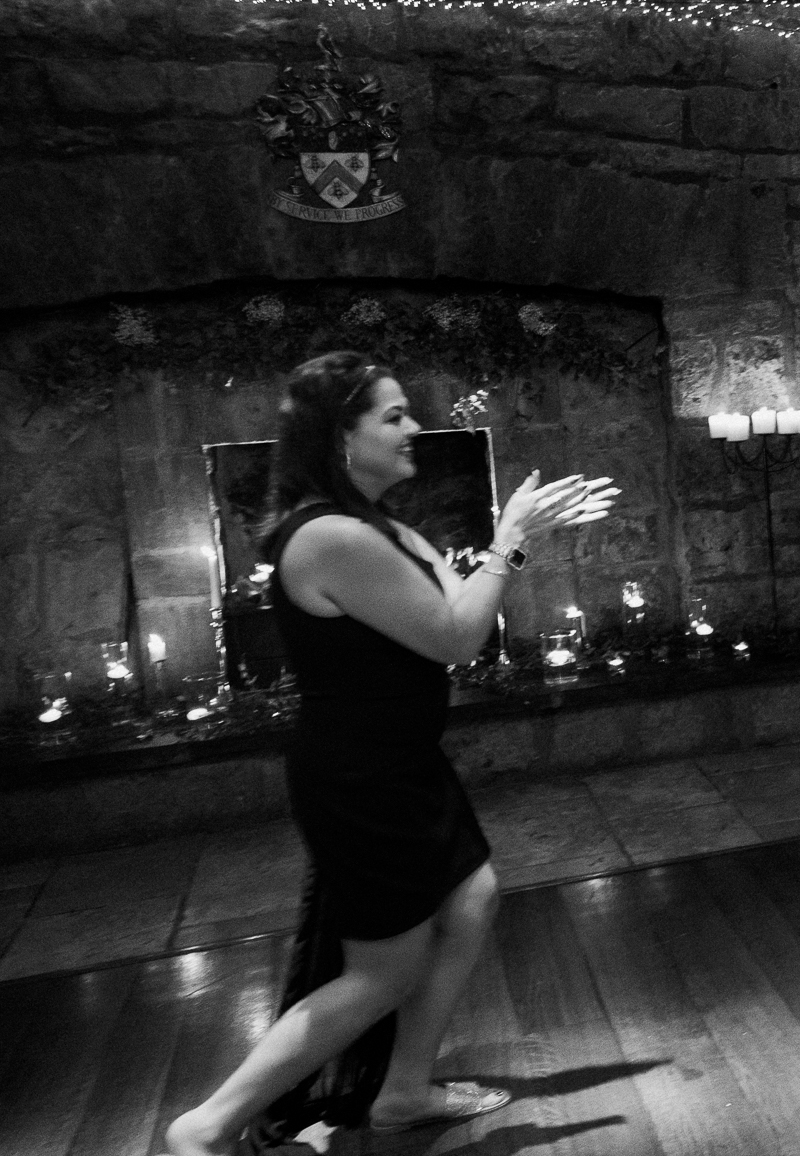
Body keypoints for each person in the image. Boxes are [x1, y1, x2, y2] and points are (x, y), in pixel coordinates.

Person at [165, 353, 617, 1155]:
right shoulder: (331, 537)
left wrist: (514, 542)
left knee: (472, 899)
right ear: (341, 436)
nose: (415, 429)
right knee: (382, 972)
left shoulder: (385, 527)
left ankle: (404, 1091)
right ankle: (207, 1124)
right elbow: (457, 636)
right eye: (394, 416)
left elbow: (454, 607)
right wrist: (508, 544)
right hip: (361, 777)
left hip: (402, 763)